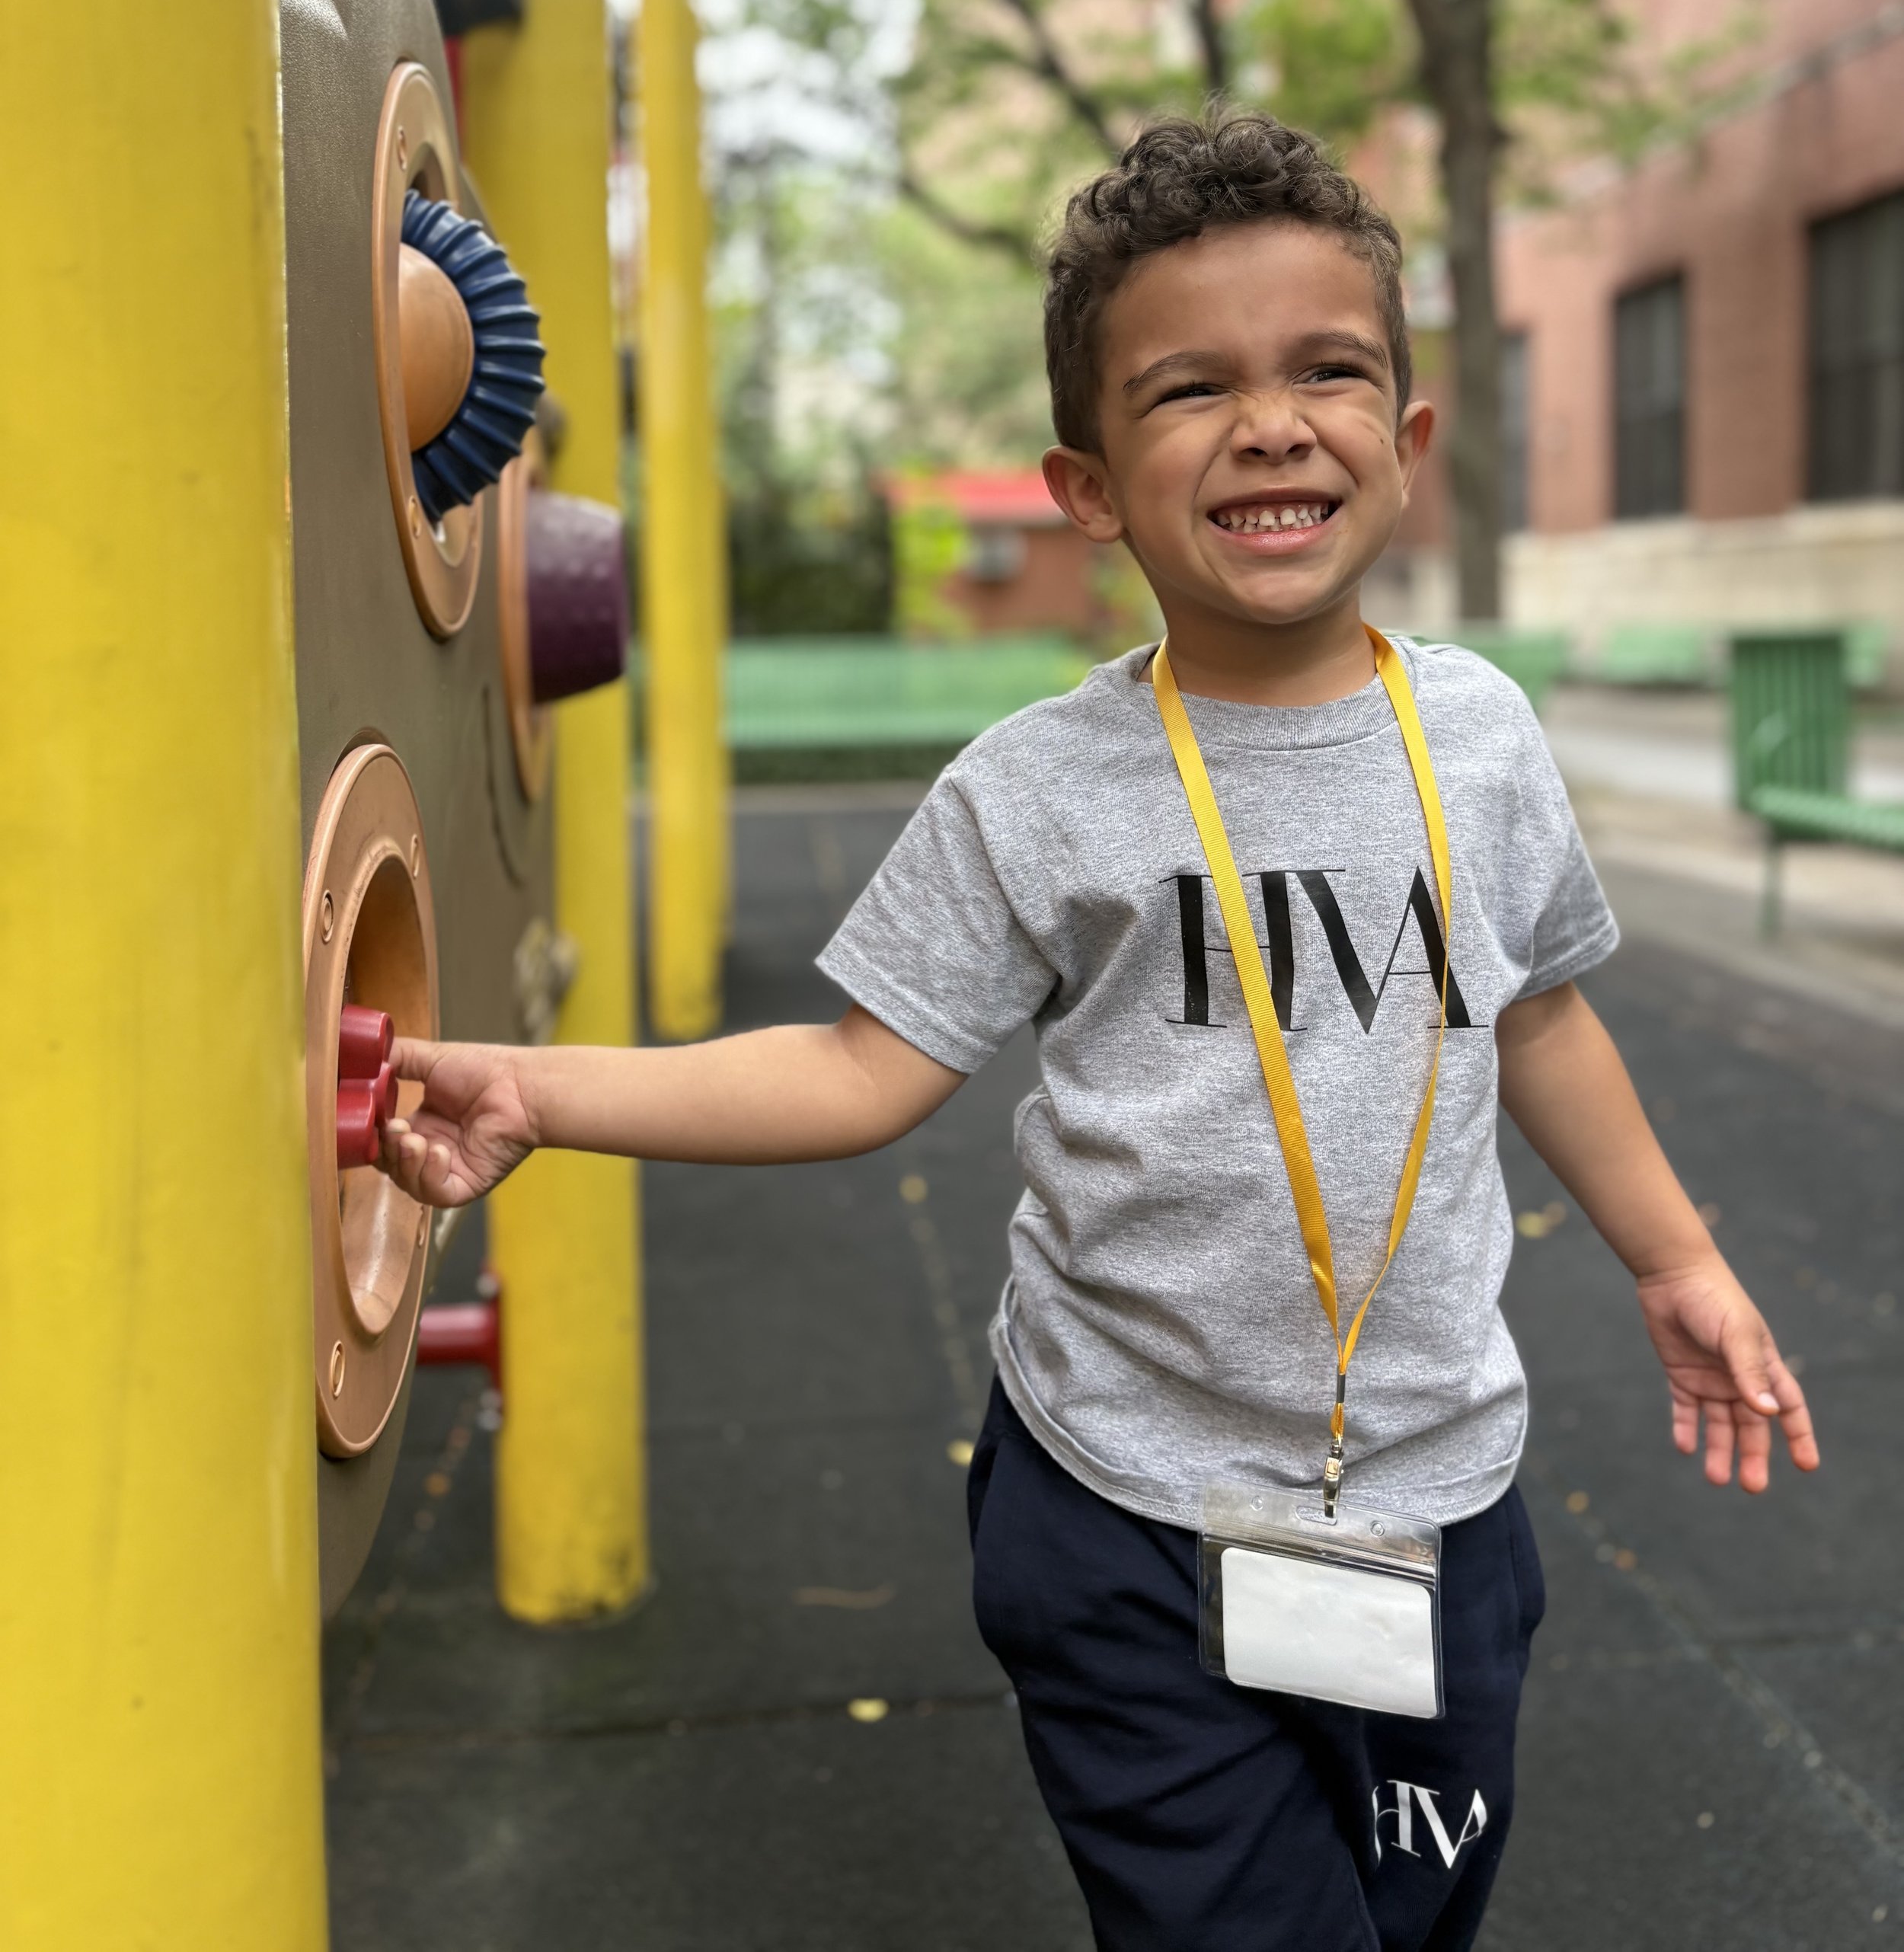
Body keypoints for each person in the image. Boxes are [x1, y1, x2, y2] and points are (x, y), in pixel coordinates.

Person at [384, 109, 1818, 1952]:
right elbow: (851, 1065)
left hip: (1433, 1500)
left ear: (1407, 436)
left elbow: (1533, 1007)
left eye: (1327, 369)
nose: (1271, 420)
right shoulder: (1040, 792)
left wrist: (1675, 1253)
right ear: (1087, 488)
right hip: (1122, 1504)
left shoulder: (1481, 737)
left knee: (1405, 1922)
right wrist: (534, 1084)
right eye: (1188, 389)